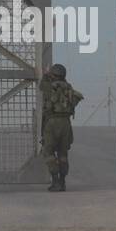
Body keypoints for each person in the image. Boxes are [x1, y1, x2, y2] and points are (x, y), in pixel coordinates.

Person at [39, 63, 83, 192]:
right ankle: (62, 182)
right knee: (63, 154)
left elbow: (42, 85)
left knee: (49, 152)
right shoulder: (69, 88)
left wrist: (46, 74)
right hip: (66, 123)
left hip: (52, 122)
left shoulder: (49, 86)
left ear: (53, 75)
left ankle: (56, 181)